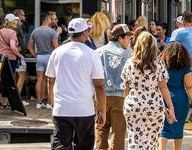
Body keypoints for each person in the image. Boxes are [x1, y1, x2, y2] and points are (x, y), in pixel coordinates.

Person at [46, 18, 106, 150]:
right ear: (84, 33)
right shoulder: (92, 54)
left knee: (60, 146)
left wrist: (53, 103)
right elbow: (99, 86)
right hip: (84, 109)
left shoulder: (57, 52)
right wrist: (102, 110)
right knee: (84, 146)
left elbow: (50, 80)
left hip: (62, 108)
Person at [121, 33, 175, 150]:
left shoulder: (130, 63)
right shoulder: (158, 63)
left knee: (134, 139)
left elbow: (126, 87)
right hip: (154, 106)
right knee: (152, 140)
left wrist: (127, 101)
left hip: (134, 105)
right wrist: (171, 107)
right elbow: (163, 87)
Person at [95, 24, 134, 150]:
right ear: (120, 38)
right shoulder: (127, 54)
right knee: (118, 133)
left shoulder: (98, 52)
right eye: (128, 38)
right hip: (120, 96)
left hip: (101, 95)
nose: (129, 41)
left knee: (101, 128)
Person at [159, 42, 192, 150]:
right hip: (181, 100)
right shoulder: (185, 68)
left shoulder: (162, 65)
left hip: (164, 98)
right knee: (179, 129)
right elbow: (190, 87)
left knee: (164, 130)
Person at [172, 11, 192, 121]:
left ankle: (184, 115)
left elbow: (174, 47)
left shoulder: (181, 33)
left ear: (183, 20)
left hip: (186, 63)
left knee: (185, 89)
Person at [29, 11, 59, 110]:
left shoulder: (35, 31)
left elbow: (30, 46)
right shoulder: (52, 32)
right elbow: (56, 46)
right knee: (50, 81)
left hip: (40, 57)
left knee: (39, 80)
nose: (51, 21)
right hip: (49, 57)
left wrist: (35, 55)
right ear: (47, 19)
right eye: (50, 19)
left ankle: (39, 102)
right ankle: (49, 103)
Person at [0, 14, 23, 110]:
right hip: (10, 59)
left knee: (3, 80)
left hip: (0, 58)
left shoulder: (1, 31)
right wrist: (19, 55)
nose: (16, 22)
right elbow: (12, 47)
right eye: (15, 21)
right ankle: (5, 103)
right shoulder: (12, 33)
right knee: (9, 82)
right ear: (11, 22)